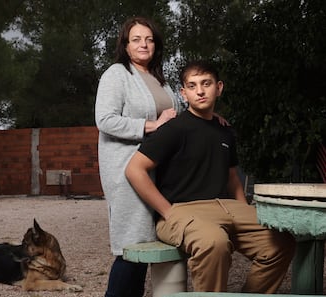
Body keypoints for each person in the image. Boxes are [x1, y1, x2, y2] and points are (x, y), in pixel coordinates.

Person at [125, 60, 296, 293]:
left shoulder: (225, 130)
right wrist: (167, 211)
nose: (200, 91)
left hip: (227, 208)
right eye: (193, 86)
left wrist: (245, 212)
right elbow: (134, 169)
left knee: (281, 242)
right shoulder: (174, 129)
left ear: (219, 87)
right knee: (213, 242)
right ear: (184, 93)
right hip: (183, 210)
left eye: (206, 83)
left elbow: (232, 178)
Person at [95, 16, 184, 297]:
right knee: (132, 245)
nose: (144, 44)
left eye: (149, 39)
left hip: (162, 169)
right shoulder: (116, 74)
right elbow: (105, 120)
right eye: (136, 39)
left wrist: (210, 118)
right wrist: (151, 125)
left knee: (153, 243)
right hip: (129, 169)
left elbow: (177, 115)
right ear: (125, 45)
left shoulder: (161, 79)